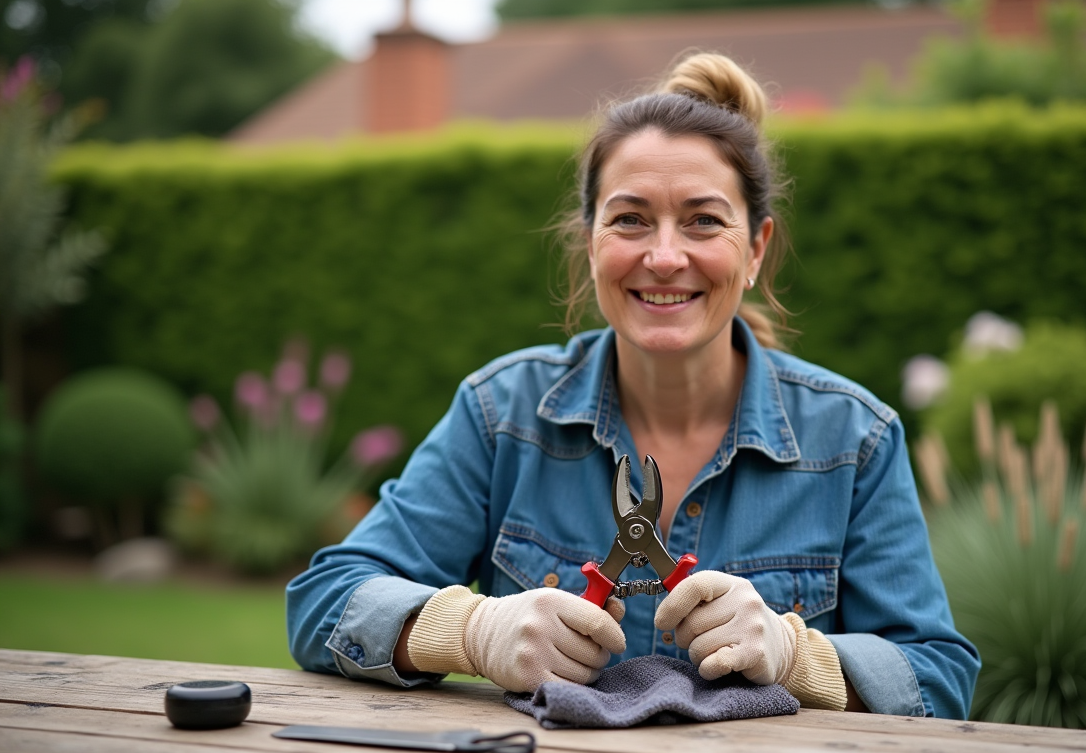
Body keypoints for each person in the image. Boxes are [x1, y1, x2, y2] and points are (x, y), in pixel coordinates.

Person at [286, 53, 980, 718]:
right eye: (630, 219)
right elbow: (323, 601)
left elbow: (939, 680)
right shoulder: (503, 415)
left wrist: (798, 656)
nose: (665, 255)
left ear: (757, 248)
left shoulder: (855, 440)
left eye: (704, 221)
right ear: (591, 242)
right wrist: (470, 632)